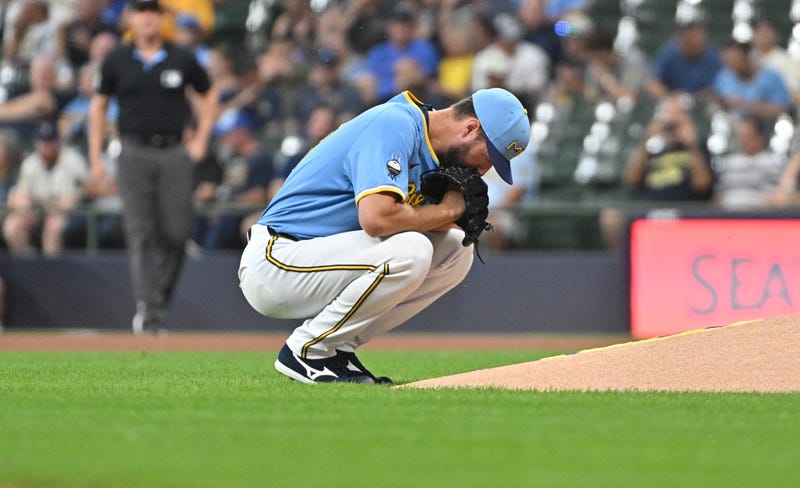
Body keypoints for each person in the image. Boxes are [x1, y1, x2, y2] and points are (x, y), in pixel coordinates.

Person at [238, 87, 530, 384]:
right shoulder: (395, 123)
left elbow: (411, 221)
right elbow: (377, 219)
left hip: (319, 259)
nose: (485, 169)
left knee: (455, 250)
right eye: (489, 155)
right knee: (412, 250)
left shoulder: (433, 156)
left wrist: (453, 219)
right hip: (278, 259)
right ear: (470, 128)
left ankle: (338, 348)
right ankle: (307, 350)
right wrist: (446, 211)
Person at [88, 0, 217, 333]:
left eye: (153, 12)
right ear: (130, 17)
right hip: (132, 151)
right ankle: (150, 313)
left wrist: (201, 137)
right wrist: (96, 161)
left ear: (161, 18)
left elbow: (208, 94)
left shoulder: (180, 57)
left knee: (178, 232)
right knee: (140, 233)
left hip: (174, 150)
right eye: (140, 11)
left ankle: (155, 300)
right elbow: (98, 107)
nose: (146, 18)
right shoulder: (116, 59)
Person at [2, 121, 89, 257]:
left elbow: (75, 198)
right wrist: (26, 206)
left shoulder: (73, 160)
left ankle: (52, 271)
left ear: (58, 142)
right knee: (12, 226)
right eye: (42, 142)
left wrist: (50, 207)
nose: (46, 146)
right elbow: (21, 195)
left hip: (70, 213)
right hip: (38, 209)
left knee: (53, 226)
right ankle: (29, 266)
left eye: (50, 142)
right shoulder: (30, 163)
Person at [712, 115, 786, 209]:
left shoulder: (772, 163)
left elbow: (779, 195)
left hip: (760, 216)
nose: (744, 141)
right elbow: (718, 193)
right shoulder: (730, 162)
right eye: (741, 137)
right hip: (728, 216)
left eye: (748, 136)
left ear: (760, 137)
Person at [712, 40, 791, 118]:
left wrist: (744, 104)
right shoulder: (723, 77)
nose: (732, 65)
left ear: (746, 56)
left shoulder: (770, 76)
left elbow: (782, 108)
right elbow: (716, 104)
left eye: (735, 59)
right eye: (728, 62)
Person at [646, 21, 722, 99]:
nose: (695, 42)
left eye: (698, 37)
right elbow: (653, 84)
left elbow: (720, 87)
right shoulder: (668, 54)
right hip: (672, 101)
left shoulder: (714, 57)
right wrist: (669, 96)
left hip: (702, 102)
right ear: (683, 39)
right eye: (691, 38)